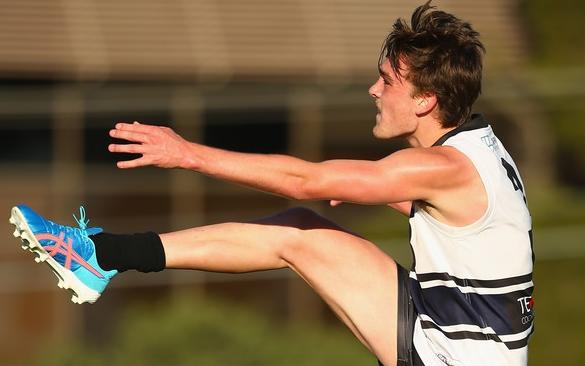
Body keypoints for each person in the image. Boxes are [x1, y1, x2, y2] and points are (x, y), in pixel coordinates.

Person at [9, 2, 534, 365]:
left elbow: (305, 181)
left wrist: (188, 154)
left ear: (425, 101)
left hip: (450, 355)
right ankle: (99, 256)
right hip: (453, 336)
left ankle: (95, 256)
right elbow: (458, 223)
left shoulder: (441, 167)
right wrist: (354, 185)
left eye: (387, 81)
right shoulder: (480, 148)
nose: (373, 90)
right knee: (299, 227)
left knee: (295, 233)